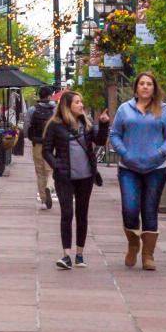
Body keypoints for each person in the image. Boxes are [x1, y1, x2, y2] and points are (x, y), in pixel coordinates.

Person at [110, 72, 166, 271]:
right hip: (128, 167)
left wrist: (161, 151)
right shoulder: (125, 109)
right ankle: (133, 244)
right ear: (136, 88)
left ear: (154, 88)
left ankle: (148, 255)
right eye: (142, 83)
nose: (146, 87)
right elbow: (115, 134)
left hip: (155, 167)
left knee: (150, 209)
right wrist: (124, 152)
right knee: (130, 208)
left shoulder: (163, 110)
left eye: (149, 84)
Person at [42, 91, 109, 269]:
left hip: (86, 177)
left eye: (81, 102)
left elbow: (100, 141)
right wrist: (57, 166)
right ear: (68, 105)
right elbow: (46, 150)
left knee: (82, 214)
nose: (81, 105)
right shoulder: (55, 125)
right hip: (65, 177)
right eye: (77, 102)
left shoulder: (87, 124)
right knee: (67, 213)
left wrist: (103, 125)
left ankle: (79, 254)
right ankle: (66, 255)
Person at [24, 86, 58, 208]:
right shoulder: (55, 109)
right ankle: (49, 187)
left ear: (39, 96)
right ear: (49, 96)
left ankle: (44, 200)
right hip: (51, 144)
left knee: (39, 172)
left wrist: (30, 137)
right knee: (51, 170)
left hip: (37, 143)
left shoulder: (32, 110)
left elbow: (26, 127)